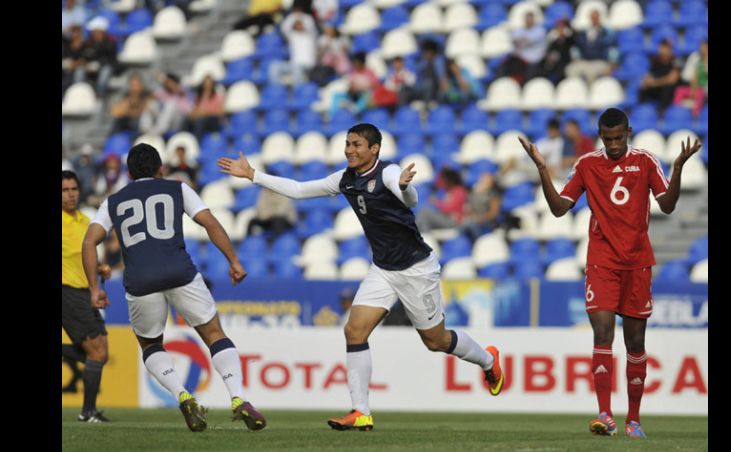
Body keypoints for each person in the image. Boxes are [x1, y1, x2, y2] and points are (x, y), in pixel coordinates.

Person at [218, 123, 504, 431]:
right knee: (354, 331)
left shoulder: (390, 173)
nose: (349, 150)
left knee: (435, 341)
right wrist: (253, 175)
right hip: (382, 269)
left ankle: (488, 361)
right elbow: (300, 190)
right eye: (347, 144)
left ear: (374, 149)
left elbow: (409, 199)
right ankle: (360, 411)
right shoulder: (345, 179)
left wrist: (407, 187)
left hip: (416, 269)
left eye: (356, 145)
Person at [517, 108, 701, 439]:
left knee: (634, 342)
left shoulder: (645, 161)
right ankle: (605, 414)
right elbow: (560, 209)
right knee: (602, 333)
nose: (614, 144)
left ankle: (633, 420)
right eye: (608, 138)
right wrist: (543, 170)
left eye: (619, 137)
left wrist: (677, 169)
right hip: (602, 261)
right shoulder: (587, 164)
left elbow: (669, 205)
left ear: (628, 132)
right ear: (600, 136)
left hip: (637, 263)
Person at [81, 144, 267, 432]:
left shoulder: (114, 201)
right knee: (214, 333)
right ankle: (238, 397)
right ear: (161, 169)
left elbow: (89, 242)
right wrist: (233, 261)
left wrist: (94, 289)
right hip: (180, 272)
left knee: (151, 344)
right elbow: (209, 222)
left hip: (140, 280)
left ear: (129, 174)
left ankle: (182, 395)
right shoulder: (177, 188)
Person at [62, 171, 111, 422]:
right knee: (96, 352)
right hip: (67, 291)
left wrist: (100, 269)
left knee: (102, 351)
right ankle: (88, 412)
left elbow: (87, 257)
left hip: (88, 291)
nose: (70, 194)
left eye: (73, 189)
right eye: (64, 190)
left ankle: (88, 411)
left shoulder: (84, 220)